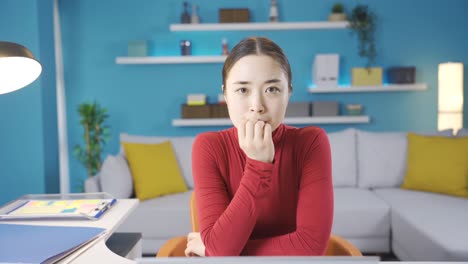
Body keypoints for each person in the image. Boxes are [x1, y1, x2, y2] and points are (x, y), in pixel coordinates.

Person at [185, 37, 333, 257]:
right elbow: (219, 251)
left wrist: (216, 250)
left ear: (288, 92)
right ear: (225, 94)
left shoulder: (311, 143)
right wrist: (258, 166)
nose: (257, 106)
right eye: (243, 90)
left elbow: (311, 248)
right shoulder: (208, 147)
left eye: (272, 89)